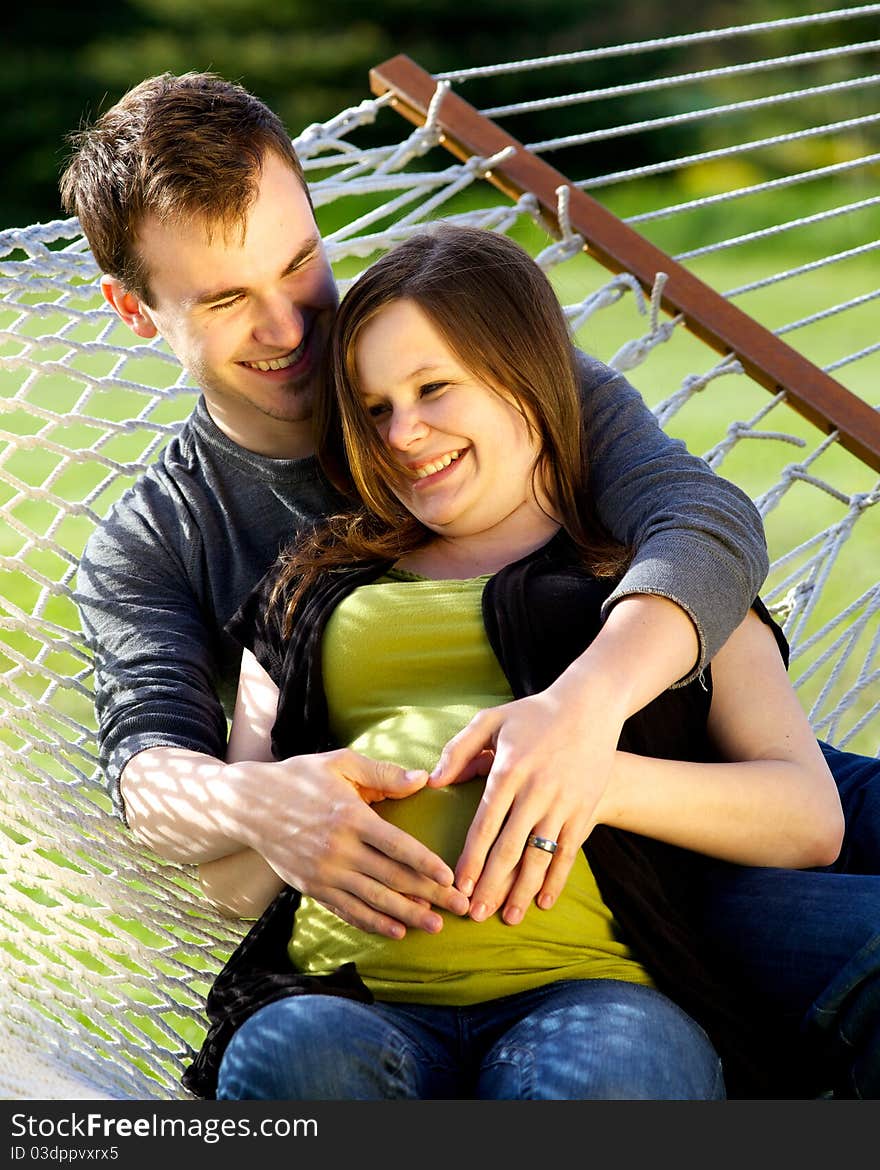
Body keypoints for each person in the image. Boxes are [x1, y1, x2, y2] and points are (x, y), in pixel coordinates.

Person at [57, 72, 879, 1098]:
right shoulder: (158, 542)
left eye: (300, 262)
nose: (291, 325)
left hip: (684, 753)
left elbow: (698, 520)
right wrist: (264, 803)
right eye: (227, 301)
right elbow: (148, 770)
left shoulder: (444, 342)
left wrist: (582, 712)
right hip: (538, 878)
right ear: (134, 311)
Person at [183, 223, 845, 1101]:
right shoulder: (306, 590)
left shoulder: (648, 587)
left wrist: (596, 778)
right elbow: (229, 884)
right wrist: (294, 821)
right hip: (346, 998)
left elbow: (808, 816)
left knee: (614, 1082)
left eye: (433, 389)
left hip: (595, 994)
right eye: (375, 408)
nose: (404, 433)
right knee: (287, 1062)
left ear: (527, 384)